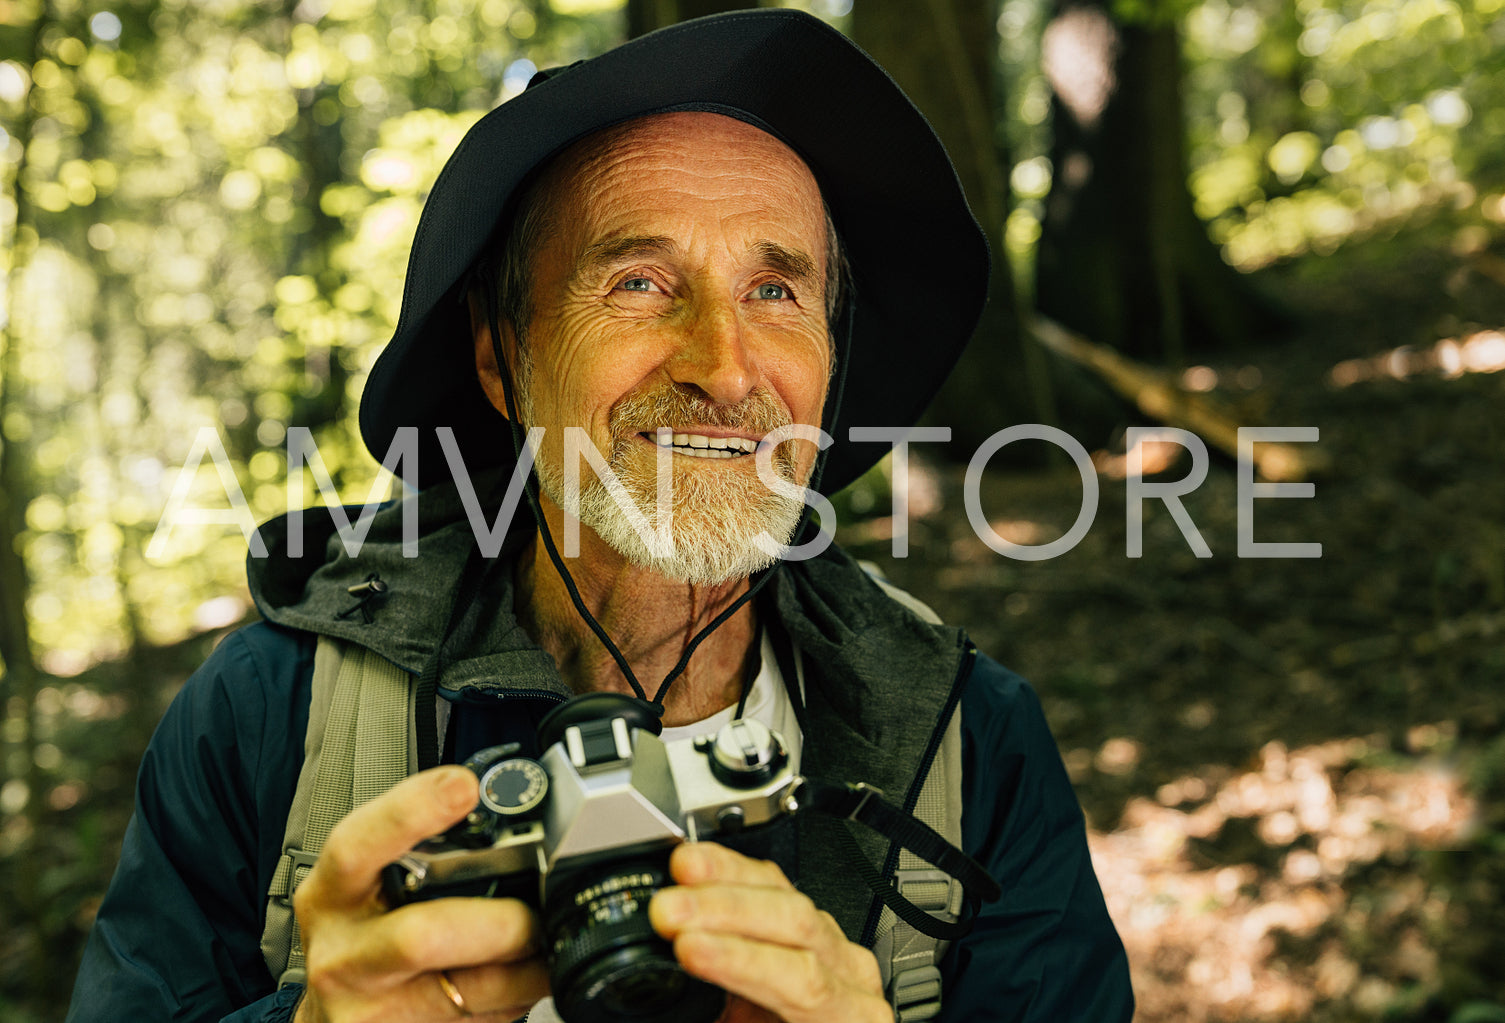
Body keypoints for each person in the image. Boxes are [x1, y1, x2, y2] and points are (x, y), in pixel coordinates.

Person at [66, 10, 1133, 1023]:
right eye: (635, 282)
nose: (723, 369)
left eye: (776, 292)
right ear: (502, 362)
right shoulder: (275, 714)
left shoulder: (960, 736)